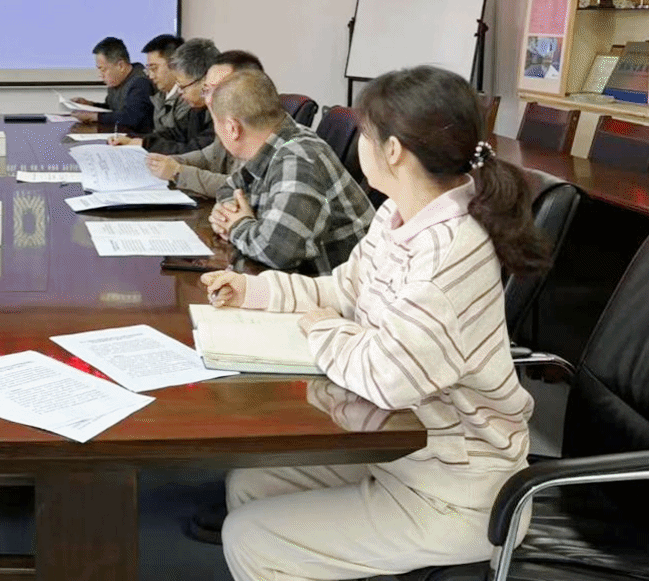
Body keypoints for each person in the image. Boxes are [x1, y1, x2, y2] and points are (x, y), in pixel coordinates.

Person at [202, 65, 547, 580]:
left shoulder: (450, 252)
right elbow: (343, 290)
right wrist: (254, 290)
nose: (357, 143)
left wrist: (323, 329)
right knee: (250, 484)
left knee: (251, 537)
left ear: (393, 151)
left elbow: (388, 377)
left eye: (364, 132)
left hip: (458, 494)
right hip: (410, 453)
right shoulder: (397, 215)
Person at [207, 68, 372, 273]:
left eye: (216, 123)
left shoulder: (298, 159)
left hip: (336, 287)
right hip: (299, 280)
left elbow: (276, 251)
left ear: (233, 128)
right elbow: (228, 189)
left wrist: (236, 226)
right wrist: (227, 215)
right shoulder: (273, 143)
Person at [147, 50, 263, 197]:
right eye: (206, 90)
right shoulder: (227, 119)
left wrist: (178, 172)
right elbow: (207, 157)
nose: (208, 99)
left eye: (217, 90)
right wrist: (169, 161)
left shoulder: (261, 128)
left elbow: (241, 187)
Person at [70, 36, 155, 131]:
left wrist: (94, 116)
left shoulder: (140, 82)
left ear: (120, 66)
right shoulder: (117, 81)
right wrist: (90, 104)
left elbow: (132, 118)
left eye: (103, 69)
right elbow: (112, 109)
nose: (100, 75)